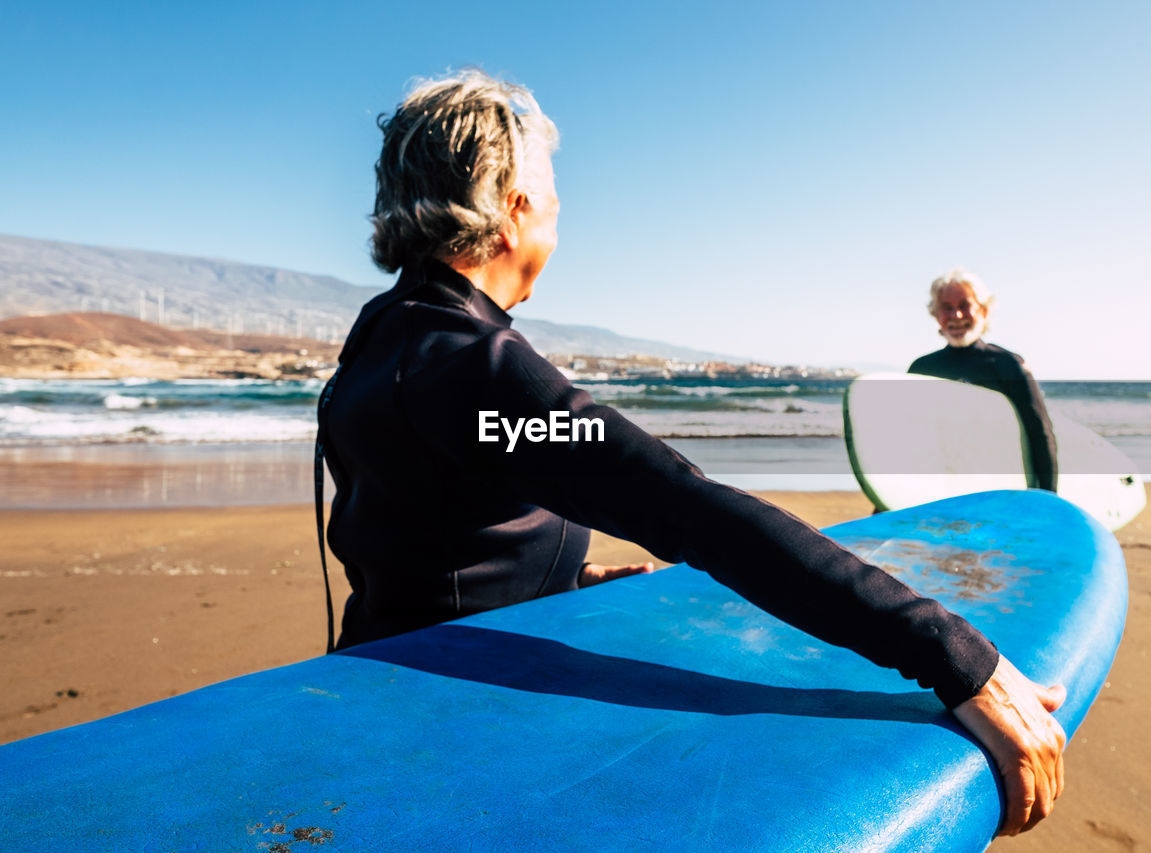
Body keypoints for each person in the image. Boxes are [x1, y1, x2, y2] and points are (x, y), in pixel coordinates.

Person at [317, 70, 1065, 836]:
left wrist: (555, 573)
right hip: (454, 725)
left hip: (378, 681)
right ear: (512, 210)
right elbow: (686, 508)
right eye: (552, 200)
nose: (557, 217)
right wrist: (955, 655)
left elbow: (421, 510)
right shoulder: (471, 366)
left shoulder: (381, 341)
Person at [909, 269, 1058, 492]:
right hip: (940, 490)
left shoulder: (1007, 365)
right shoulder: (921, 368)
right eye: (947, 308)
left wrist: (1048, 498)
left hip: (995, 491)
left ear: (984, 310)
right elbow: (908, 437)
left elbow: (1040, 434)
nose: (956, 315)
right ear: (936, 315)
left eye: (964, 305)